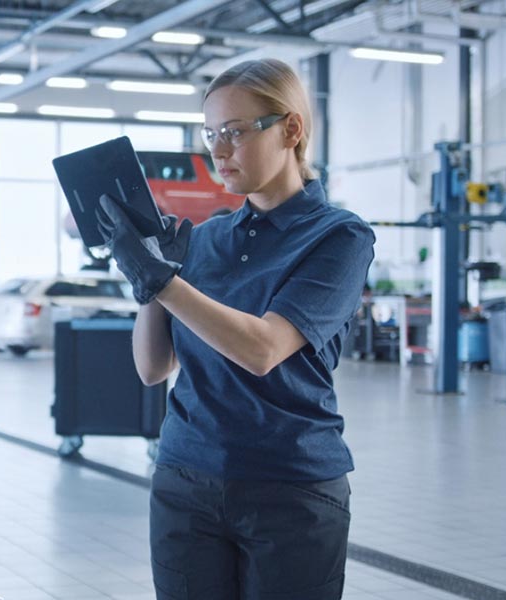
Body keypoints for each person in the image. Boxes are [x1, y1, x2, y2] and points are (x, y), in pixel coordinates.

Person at [95, 58, 376, 600]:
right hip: (185, 480)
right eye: (210, 135)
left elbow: (263, 349)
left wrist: (161, 280)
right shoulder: (204, 238)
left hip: (290, 489)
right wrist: (150, 280)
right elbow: (153, 368)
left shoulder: (339, 237)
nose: (218, 151)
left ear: (291, 129)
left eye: (235, 132)